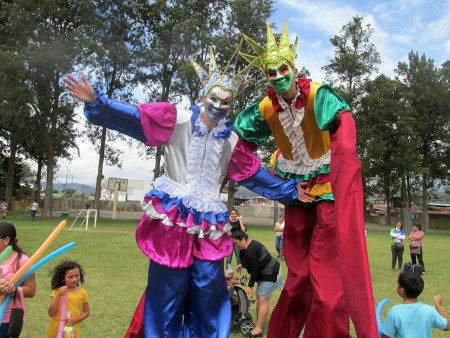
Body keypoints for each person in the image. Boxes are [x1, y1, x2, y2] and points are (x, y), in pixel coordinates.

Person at [63, 43, 300, 338]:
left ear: (231, 105)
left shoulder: (231, 141)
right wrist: (99, 103)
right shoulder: (177, 119)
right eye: (214, 98)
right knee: (168, 290)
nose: (218, 106)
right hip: (174, 217)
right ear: (204, 97)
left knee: (210, 291)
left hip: (209, 223)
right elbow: (136, 119)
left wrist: (291, 192)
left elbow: (254, 174)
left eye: (226, 103)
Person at [235, 21, 378, 337]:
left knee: (327, 285)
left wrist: (344, 170)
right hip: (295, 190)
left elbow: (344, 123)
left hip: (327, 186)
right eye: (271, 73)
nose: (278, 76)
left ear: (293, 66)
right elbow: (238, 146)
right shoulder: (265, 109)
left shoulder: (317, 94)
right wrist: (276, 187)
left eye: (282, 68)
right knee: (298, 278)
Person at [232, 230, 282, 337]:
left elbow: (255, 268)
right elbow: (250, 260)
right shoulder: (248, 246)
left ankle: (258, 330)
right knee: (259, 298)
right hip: (264, 272)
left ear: (243, 239)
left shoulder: (251, 249)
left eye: (236, 243)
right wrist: (243, 265)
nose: (236, 246)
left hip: (271, 272)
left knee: (263, 299)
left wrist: (250, 286)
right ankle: (259, 324)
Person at [380, 271, 448, 337]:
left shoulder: (395, 312)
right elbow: (447, 326)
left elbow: (385, 336)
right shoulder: (429, 310)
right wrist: (437, 305)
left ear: (402, 290)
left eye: (397, 283)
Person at [0, 222, 36, 337]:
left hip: (6, 320)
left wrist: (12, 289)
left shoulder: (22, 261)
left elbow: (31, 290)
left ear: (6, 240)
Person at [44, 260, 89, 338]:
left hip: (72, 332)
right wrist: (58, 295)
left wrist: (74, 320)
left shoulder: (83, 293)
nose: (74, 279)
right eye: (70, 277)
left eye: (77, 275)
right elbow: (51, 313)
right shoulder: (58, 291)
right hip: (56, 330)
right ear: (63, 278)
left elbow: (86, 312)